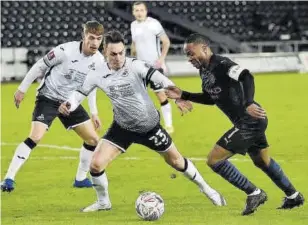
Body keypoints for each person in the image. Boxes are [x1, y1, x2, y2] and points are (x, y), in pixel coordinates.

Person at [58, 30, 226, 212]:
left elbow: (159, 78)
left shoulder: (135, 66)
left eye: (122, 52)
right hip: (122, 127)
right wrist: (69, 103)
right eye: (113, 54)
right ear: (105, 51)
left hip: (149, 126)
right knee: (96, 164)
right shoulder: (96, 74)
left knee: (177, 162)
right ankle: (103, 202)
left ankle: (207, 189)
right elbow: (79, 94)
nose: (118, 57)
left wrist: (178, 95)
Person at [165, 33, 304, 215]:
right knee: (262, 161)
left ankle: (254, 193)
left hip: (250, 120)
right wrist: (184, 95)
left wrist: (248, 103)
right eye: (187, 55)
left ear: (204, 48)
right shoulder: (204, 71)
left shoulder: (222, 64)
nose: (189, 58)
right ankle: (294, 196)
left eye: (191, 53)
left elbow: (247, 77)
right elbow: (211, 97)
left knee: (214, 160)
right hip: (249, 121)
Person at [1, 21, 105, 192]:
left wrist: (94, 112)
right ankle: (8, 179)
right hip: (48, 97)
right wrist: (22, 89)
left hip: (70, 101)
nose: (95, 43)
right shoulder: (65, 51)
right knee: (36, 136)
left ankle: (80, 179)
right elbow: (40, 66)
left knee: (93, 140)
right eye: (91, 38)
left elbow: (90, 87)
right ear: (83, 36)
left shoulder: (99, 61)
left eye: (99, 39)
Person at [131, 1, 174, 134]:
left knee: (160, 95)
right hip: (139, 67)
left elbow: (166, 41)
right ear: (133, 12)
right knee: (137, 96)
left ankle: (169, 125)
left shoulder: (153, 23)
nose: (139, 13)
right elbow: (134, 44)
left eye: (141, 10)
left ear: (146, 11)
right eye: (136, 10)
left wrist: (161, 59)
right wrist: (132, 60)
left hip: (153, 67)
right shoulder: (133, 25)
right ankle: (142, 124)